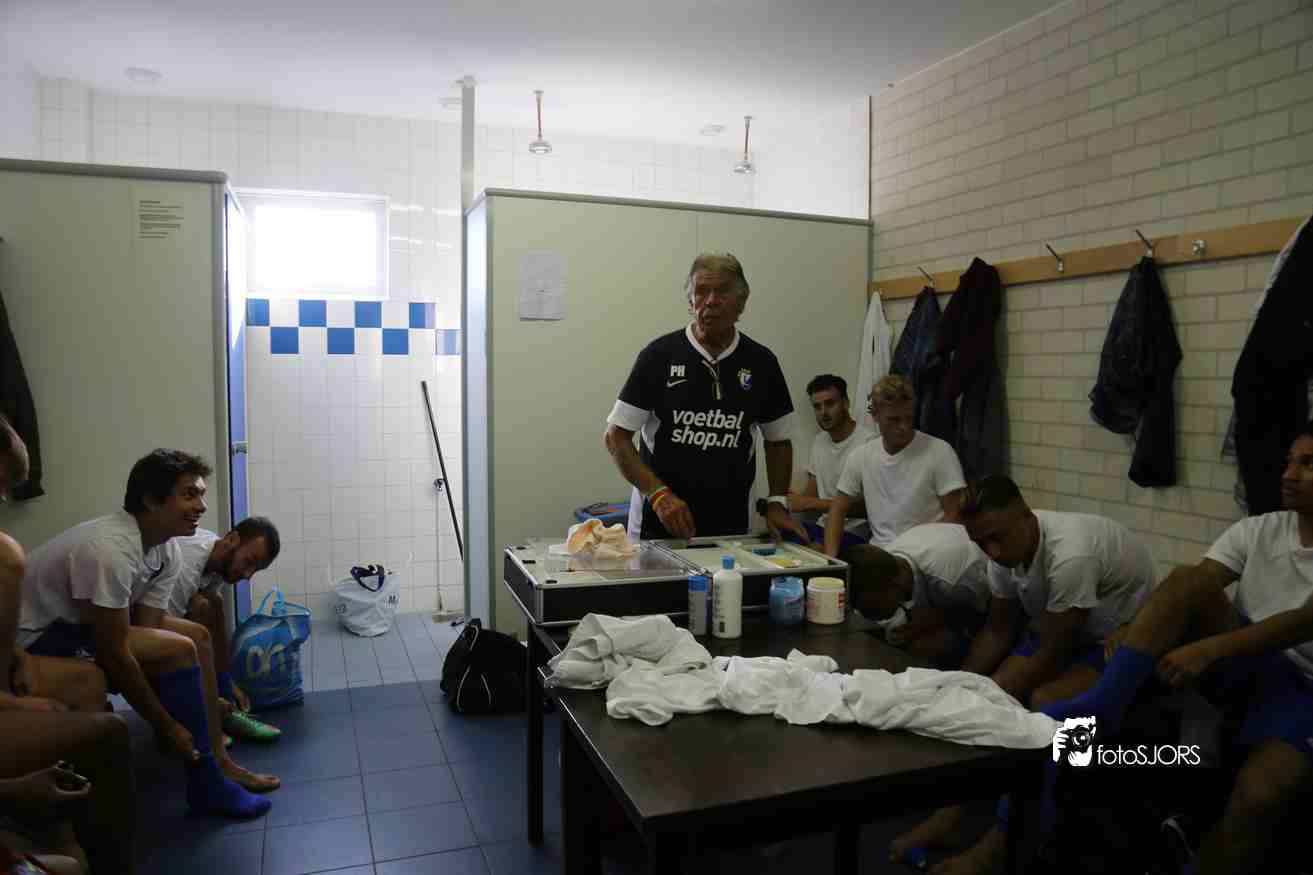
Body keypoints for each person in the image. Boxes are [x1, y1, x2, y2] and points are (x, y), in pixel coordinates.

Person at [1040, 424, 1313, 875]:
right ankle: (1101, 709)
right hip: (1248, 666)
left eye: (1308, 464)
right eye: (1289, 461)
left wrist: (1208, 651)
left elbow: (1302, 622)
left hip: (1303, 689)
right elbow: (1191, 589)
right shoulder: (1259, 529)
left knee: (1261, 793)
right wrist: (1134, 627)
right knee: (1188, 579)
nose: (1289, 474)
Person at [890, 475, 1157, 873]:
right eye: (982, 543)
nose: (993, 552)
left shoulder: (1071, 555)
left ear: (1027, 517)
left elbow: (1051, 655)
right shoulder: (1002, 552)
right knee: (985, 697)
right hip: (1065, 627)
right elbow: (997, 631)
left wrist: (997, 699)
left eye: (998, 538)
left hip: (1122, 637)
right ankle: (948, 817)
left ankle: (1004, 841)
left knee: (1044, 704)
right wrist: (961, 687)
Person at [15, 449, 275, 819]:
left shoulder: (165, 548)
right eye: (189, 494)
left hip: (75, 628)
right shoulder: (110, 549)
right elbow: (114, 651)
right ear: (152, 500)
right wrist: (166, 724)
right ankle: (202, 778)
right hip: (32, 638)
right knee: (169, 653)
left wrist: (186, 698)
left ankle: (214, 762)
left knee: (192, 640)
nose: (201, 506)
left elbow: (148, 626)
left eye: (201, 495)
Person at [0, 415, 138, 873]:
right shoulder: (5, 556)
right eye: (1, 484)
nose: (4, 500)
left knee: (86, 685)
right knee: (106, 733)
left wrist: (15, 656)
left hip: (21, 658)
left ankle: (62, 832)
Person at [604, 252, 805, 542]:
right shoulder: (658, 356)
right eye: (701, 291)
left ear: (742, 302)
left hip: (733, 528)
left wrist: (777, 501)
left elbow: (778, 440)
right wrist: (658, 495)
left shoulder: (762, 362)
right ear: (691, 302)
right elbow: (616, 437)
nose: (711, 301)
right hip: (658, 529)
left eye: (723, 291)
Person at [824, 375, 967, 622]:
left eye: (909, 418)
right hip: (879, 563)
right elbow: (837, 510)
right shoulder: (862, 456)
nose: (903, 426)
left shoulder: (939, 452)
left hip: (924, 566)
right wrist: (832, 564)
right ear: (875, 416)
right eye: (894, 419)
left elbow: (957, 517)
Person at [164, 520, 282, 742]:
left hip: (159, 613)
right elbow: (166, 640)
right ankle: (199, 719)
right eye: (249, 562)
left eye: (255, 570)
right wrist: (205, 698)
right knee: (194, 634)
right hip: (131, 620)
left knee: (212, 604)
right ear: (232, 540)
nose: (247, 575)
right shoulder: (187, 564)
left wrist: (223, 684)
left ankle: (226, 698)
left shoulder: (219, 556)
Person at [853, 523, 991, 669]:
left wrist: (938, 618)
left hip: (987, 600)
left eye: (872, 607)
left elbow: (993, 619)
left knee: (923, 646)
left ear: (896, 584)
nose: (869, 615)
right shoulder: (886, 563)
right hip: (945, 565)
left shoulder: (953, 581)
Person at [786, 374, 874, 551]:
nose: (824, 412)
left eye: (830, 403)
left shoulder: (869, 443)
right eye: (817, 407)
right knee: (774, 538)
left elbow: (868, 508)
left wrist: (807, 503)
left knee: (812, 552)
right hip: (821, 527)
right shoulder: (819, 441)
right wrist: (789, 500)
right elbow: (810, 496)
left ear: (846, 403)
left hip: (854, 532)